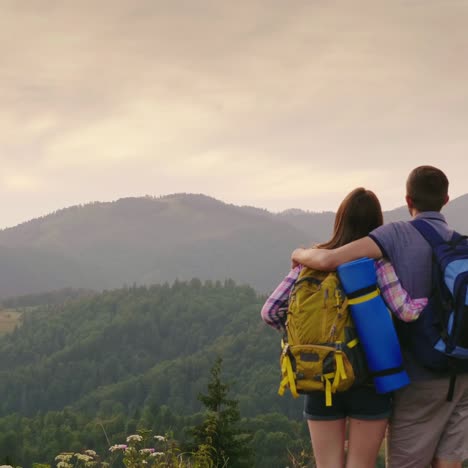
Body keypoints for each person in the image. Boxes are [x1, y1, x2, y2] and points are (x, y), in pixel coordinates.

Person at [291, 166, 468, 468]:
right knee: (448, 463)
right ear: (447, 199)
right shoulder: (460, 243)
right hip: (463, 371)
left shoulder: (396, 234)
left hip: (420, 376)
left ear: (407, 199)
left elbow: (329, 259)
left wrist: (299, 253)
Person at [262, 187, 427, 468]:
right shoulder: (378, 263)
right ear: (377, 225)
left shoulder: (310, 262)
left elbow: (270, 311)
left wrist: (305, 336)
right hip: (370, 379)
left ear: (339, 220)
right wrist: (428, 299)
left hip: (321, 375)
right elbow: (405, 311)